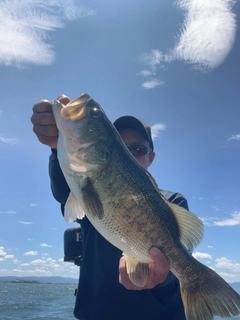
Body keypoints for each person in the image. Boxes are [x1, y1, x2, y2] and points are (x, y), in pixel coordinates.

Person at [31, 95, 189, 320]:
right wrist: (58, 148)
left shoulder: (173, 201)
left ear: (151, 157)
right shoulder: (88, 191)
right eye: (122, 148)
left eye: (137, 149)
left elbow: (181, 254)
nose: (130, 155)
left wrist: (164, 277)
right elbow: (64, 192)